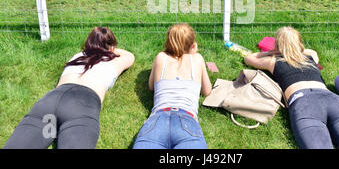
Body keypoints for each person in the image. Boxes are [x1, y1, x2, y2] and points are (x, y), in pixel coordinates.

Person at [244, 26, 339, 149]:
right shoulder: (310, 57)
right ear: (300, 43)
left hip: (305, 105)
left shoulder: (273, 61)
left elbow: (249, 58)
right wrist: (295, 49)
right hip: (333, 101)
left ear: (277, 46)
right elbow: (310, 51)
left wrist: (272, 52)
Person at [4, 27, 135, 149]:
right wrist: (111, 49)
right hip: (82, 105)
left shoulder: (78, 57)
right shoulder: (113, 61)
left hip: (51, 101)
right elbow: (130, 56)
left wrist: (96, 47)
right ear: (111, 48)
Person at [133, 23, 212, 149]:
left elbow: (151, 87)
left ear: (168, 42)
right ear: (193, 45)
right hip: (187, 119)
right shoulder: (197, 59)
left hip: (157, 118)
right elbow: (207, 91)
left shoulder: (161, 57)